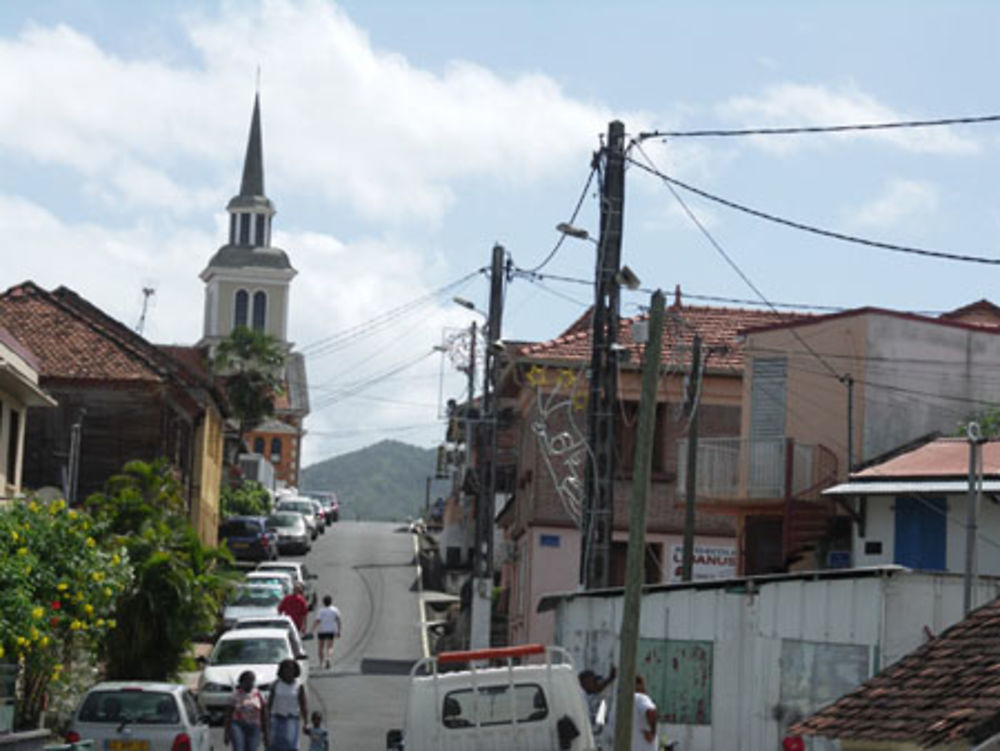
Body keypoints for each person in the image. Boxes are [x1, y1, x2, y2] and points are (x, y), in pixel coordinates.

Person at [267, 659, 308, 751]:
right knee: (275, 745)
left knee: (291, 745)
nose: (289, 672)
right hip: (277, 719)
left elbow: (303, 704)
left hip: (292, 719)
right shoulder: (276, 684)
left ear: (295, 671)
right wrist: (266, 720)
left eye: (291, 669)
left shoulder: (298, 685)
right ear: (282, 671)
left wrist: (306, 722)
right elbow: (269, 705)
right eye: (286, 669)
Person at [224, 671, 269, 751]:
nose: (249, 683)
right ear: (241, 682)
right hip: (238, 725)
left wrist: (266, 733)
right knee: (239, 748)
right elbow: (228, 715)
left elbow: (264, 714)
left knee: (252, 748)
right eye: (246, 681)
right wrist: (227, 733)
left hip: (254, 726)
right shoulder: (235, 695)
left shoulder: (258, 695)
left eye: (251, 680)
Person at [311, 595, 342, 669]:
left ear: (323, 602)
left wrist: (312, 630)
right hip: (331, 630)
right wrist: (339, 631)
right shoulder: (335, 610)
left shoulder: (321, 611)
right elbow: (339, 621)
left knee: (320, 647)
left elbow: (317, 621)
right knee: (330, 647)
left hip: (322, 630)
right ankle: (328, 659)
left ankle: (321, 663)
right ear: (331, 602)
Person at [632, 675, 658, 751]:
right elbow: (651, 711)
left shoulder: (621, 701)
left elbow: (651, 711)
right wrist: (653, 733)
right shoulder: (639, 697)